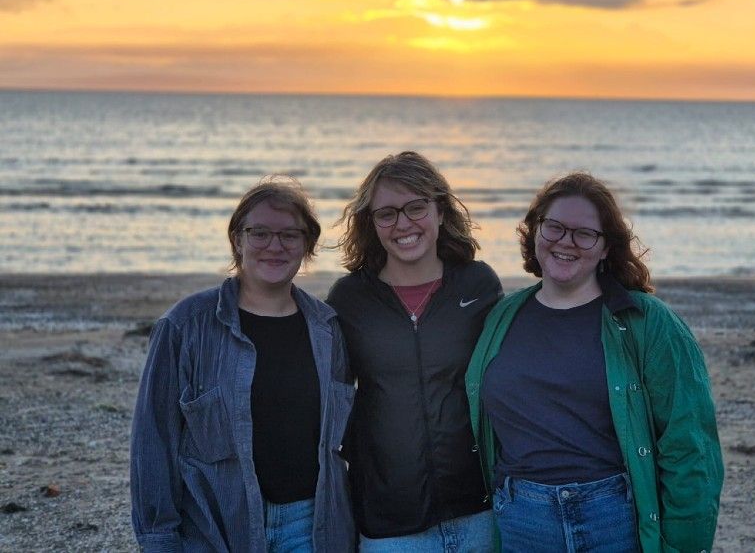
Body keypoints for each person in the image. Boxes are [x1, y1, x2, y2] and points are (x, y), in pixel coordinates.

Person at [465, 172, 723, 552]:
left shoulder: (648, 322)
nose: (565, 242)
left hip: (613, 520)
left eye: (584, 233)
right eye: (553, 227)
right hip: (521, 521)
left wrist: (684, 544)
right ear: (534, 231)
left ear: (605, 248)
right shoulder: (502, 317)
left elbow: (689, 446)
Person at [130, 176, 356, 552]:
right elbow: (153, 440)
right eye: (260, 233)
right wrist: (159, 539)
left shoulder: (327, 329)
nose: (274, 246)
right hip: (214, 526)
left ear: (307, 246)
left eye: (289, 235)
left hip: (310, 526)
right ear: (237, 239)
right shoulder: (185, 326)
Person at [326, 151, 502, 551]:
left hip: (478, 512)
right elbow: (329, 395)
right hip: (389, 524)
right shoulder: (350, 298)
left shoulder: (478, 285)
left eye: (416, 207)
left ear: (440, 211)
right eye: (386, 213)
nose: (403, 224)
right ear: (371, 224)